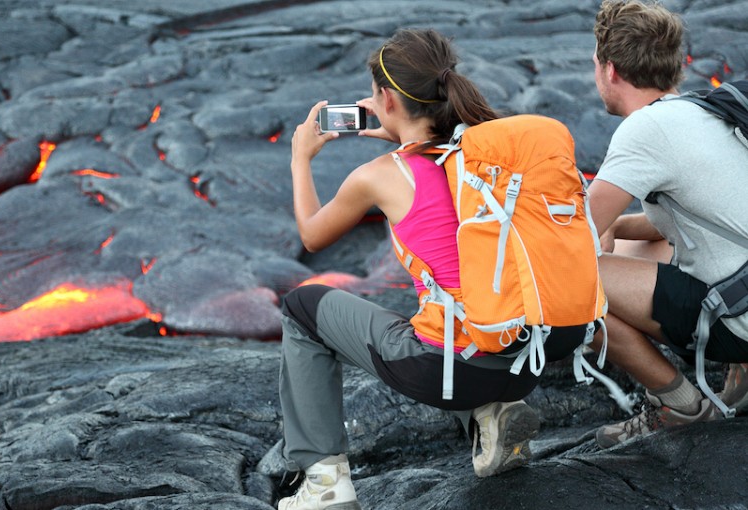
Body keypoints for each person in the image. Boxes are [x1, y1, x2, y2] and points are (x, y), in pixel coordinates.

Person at [277, 28, 598, 510]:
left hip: (451, 372)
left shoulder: (379, 176)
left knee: (302, 307)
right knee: (459, 292)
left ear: (387, 98)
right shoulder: (487, 161)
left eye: (373, 94)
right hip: (524, 357)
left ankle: (325, 484)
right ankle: (491, 416)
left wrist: (301, 157)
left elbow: (311, 235)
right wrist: (399, 128)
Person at [587, 0, 748, 449]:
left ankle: (681, 405)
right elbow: (683, 223)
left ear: (610, 69)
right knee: (630, 251)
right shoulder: (697, 110)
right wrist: (616, 228)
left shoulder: (645, 132)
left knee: (564, 284)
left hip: (740, 319)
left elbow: (572, 233)